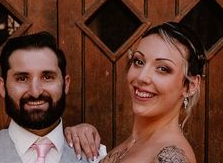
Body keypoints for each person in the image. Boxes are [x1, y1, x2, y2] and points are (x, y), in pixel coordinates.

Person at [0, 31, 105, 163]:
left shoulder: (98, 157)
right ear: (2, 87)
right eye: (22, 78)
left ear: (66, 84)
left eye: (47, 77)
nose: (35, 92)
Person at [66, 21, 205, 163]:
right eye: (139, 61)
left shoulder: (172, 158)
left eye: (163, 69)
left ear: (190, 86)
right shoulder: (132, 144)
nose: (142, 77)